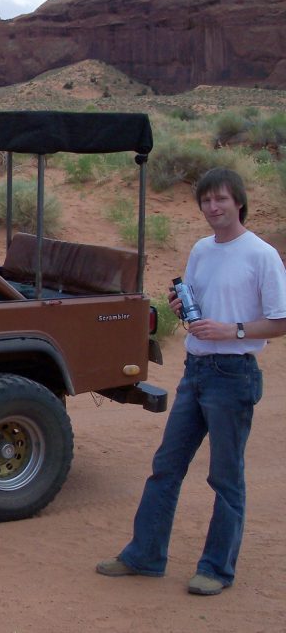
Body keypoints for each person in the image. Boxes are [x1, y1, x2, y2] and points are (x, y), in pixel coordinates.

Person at [97, 168, 286, 595]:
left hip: (233, 375)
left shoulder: (261, 254)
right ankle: (145, 555)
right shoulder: (202, 249)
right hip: (196, 371)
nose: (213, 208)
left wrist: (232, 331)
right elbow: (199, 303)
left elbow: (279, 321)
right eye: (206, 201)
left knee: (225, 477)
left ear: (239, 201)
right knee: (166, 467)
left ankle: (216, 569)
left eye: (221, 199)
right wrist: (184, 309)